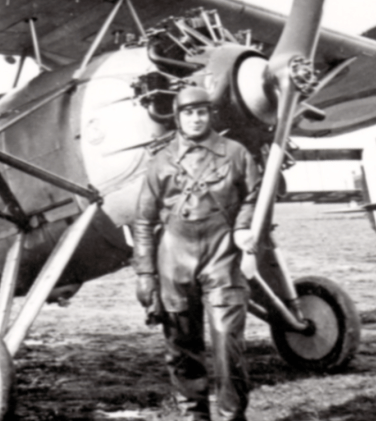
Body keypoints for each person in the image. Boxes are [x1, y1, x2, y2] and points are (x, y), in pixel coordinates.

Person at [133, 86, 260, 421]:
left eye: (201, 112)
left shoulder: (236, 153)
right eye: (188, 113)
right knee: (181, 351)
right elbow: (143, 221)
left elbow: (255, 195)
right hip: (174, 263)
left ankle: (233, 416)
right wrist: (145, 274)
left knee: (228, 346)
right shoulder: (161, 162)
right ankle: (194, 417)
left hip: (222, 258)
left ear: (210, 115)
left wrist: (243, 226)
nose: (195, 119)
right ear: (177, 118)